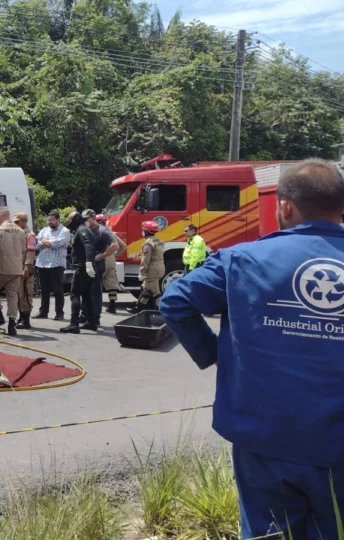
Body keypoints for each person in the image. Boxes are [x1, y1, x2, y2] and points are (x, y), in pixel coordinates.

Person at [160, 159, 344, 539]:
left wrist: (211, 353)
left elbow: (175, 300)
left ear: (285, 208)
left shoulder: (241, 259)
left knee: (269, 532)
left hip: (264, 438)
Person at [0, 207, 28, 335]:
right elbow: (23, 250)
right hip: (16, 269)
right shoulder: (20, 231)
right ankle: (12, 324)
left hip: (0, 268)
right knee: (12, 296)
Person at [60, 210, 98, 334]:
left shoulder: (82, 230)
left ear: (76, 219)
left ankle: (73, 324)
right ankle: (92, 322)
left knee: (74, 294)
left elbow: (88, 246)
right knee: (86, 295)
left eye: (70, 220)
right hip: (86, 267)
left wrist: (88, 263)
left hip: (82, 267)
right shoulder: (84, 230)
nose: (68, 222)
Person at [82, 210, 119, 324]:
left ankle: (95, 317)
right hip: (85, 265)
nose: (85, 222)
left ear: (93, 218)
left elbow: (116, 245)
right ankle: (85, 315)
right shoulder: (85, 230)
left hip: (97, 266)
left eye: (86, 219)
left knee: (95, 292)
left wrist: (103, 255)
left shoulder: (103, 231)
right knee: (85, 292)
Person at [35, 211, 71, 321]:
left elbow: (57, 244)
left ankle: (59, 313)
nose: (49, 222)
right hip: (42, 263)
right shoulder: (44, 230)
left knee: (57, 289)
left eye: (52, 220)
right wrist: (48, 243)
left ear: (58, 219)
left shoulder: (65, 231)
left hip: (56, 264)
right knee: (44, 290)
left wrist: (45, 242)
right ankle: (43, 312)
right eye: (48, 220)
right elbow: (36, 244)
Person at [127, 221, 164, 314]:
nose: (142, 231)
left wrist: (142, 272)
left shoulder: (148, 243)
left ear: (147, 231)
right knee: (146, 290)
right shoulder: (159, 241)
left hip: (152, 269)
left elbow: (145, 260)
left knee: (155, 292)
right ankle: (138, 307)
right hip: (160, 267)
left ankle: (161, 309)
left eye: (143, 230)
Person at [96, 214, 126, 314]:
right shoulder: (111, 234)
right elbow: (123, 246)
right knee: (111, 284)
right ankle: (112, 306)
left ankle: (96, 306)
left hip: (101, 261)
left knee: (97, 283)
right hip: (111, 261)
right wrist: (115, 254)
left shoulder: (97, 233)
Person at [13, 212, 38, 329]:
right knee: (19, 294)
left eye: (17, 222)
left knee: (26, 294)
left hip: (25, 268)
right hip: (17, 268)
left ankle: (26, 320)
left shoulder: (30, 235)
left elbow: (30, 253)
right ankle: (22, 316)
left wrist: (27, 267)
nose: (16, 224)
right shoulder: (19, 234)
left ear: (23, 222)